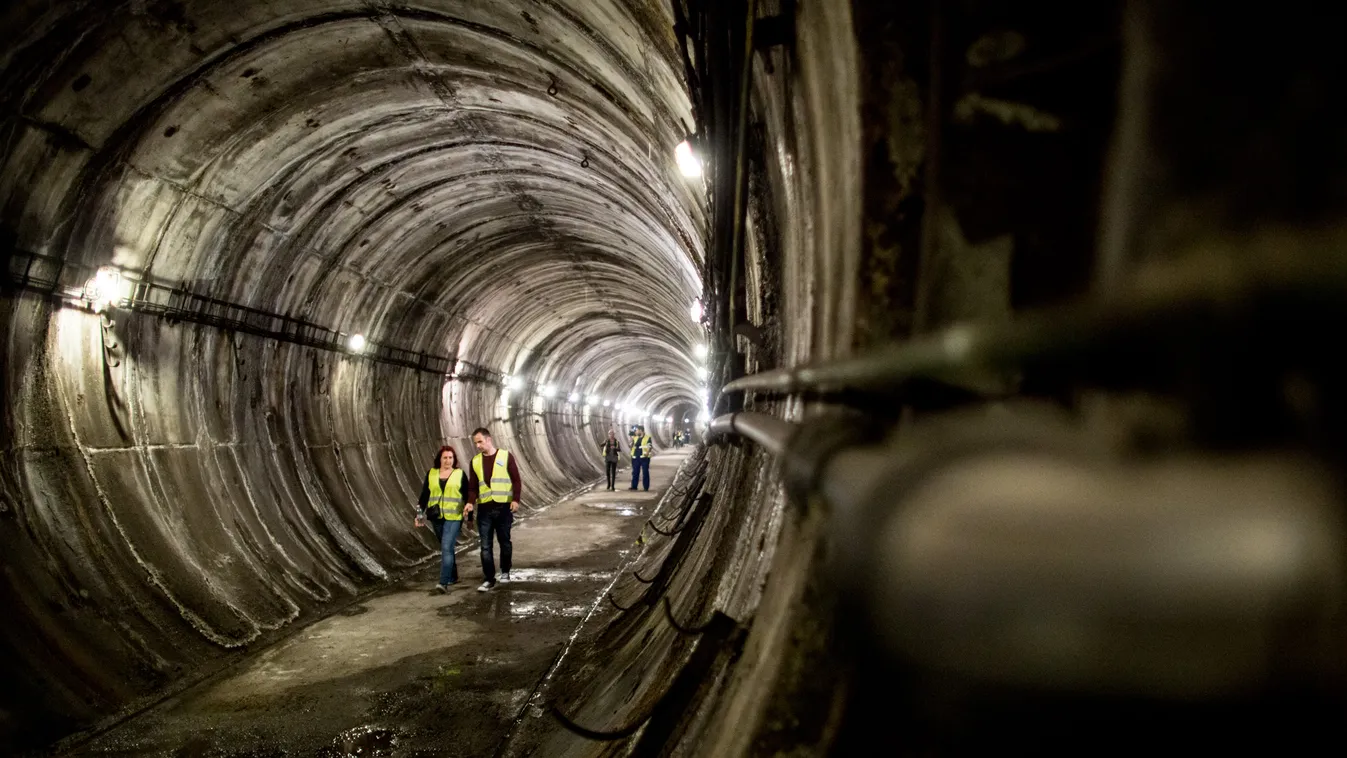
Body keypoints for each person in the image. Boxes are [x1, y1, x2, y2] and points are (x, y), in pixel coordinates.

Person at [465, 427, 521, 592]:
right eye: (476, 443)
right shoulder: (475, 461)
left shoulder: (505, 456)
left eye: (480, 442)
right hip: (484, 509)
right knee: (485, 545)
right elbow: (473, 487)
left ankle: (505, 571)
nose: (478, 446)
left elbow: (516, 480)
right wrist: (470, 502)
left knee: (505, 542)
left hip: (503, 507)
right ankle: (489, 579)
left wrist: (516, 500)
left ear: (489, 440)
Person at [415, 446, 466, 593]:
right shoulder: (431, 474)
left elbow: (466, 496)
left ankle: (443, 583)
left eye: (451, 458)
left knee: (445, 547)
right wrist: (419, 515)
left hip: (454, 517)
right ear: (440, 459)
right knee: (447, 547)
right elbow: (424, 496)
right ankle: (453, 576)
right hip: (436, 517)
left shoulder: (460, 474)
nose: (448, 460)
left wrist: (468, 518)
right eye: (445, 457)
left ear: (454, 460)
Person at [629, 424, 653, 491]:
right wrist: (631, 441)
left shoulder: (648, 438)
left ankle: (646, 487)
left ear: (641, 430)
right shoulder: (635, 438)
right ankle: (634, 486)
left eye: (637, 430)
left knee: (645, 472)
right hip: (636, 457)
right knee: (635, 472)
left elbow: (649, 446)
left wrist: (647, 453)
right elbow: (631, 446)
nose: (636, 432)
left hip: (644, 458)